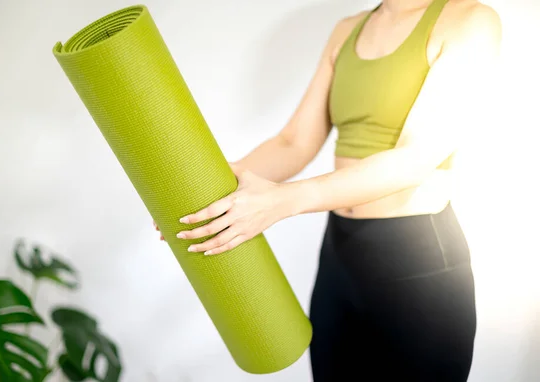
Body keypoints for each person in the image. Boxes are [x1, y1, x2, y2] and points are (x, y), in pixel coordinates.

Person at [154, 0, 502, 380]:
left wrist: (283, 201)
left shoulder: (469, 19)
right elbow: (294, 142)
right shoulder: (347, 29)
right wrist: (206, 192)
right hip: (341, 255)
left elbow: (416, 158)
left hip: (418, 264)